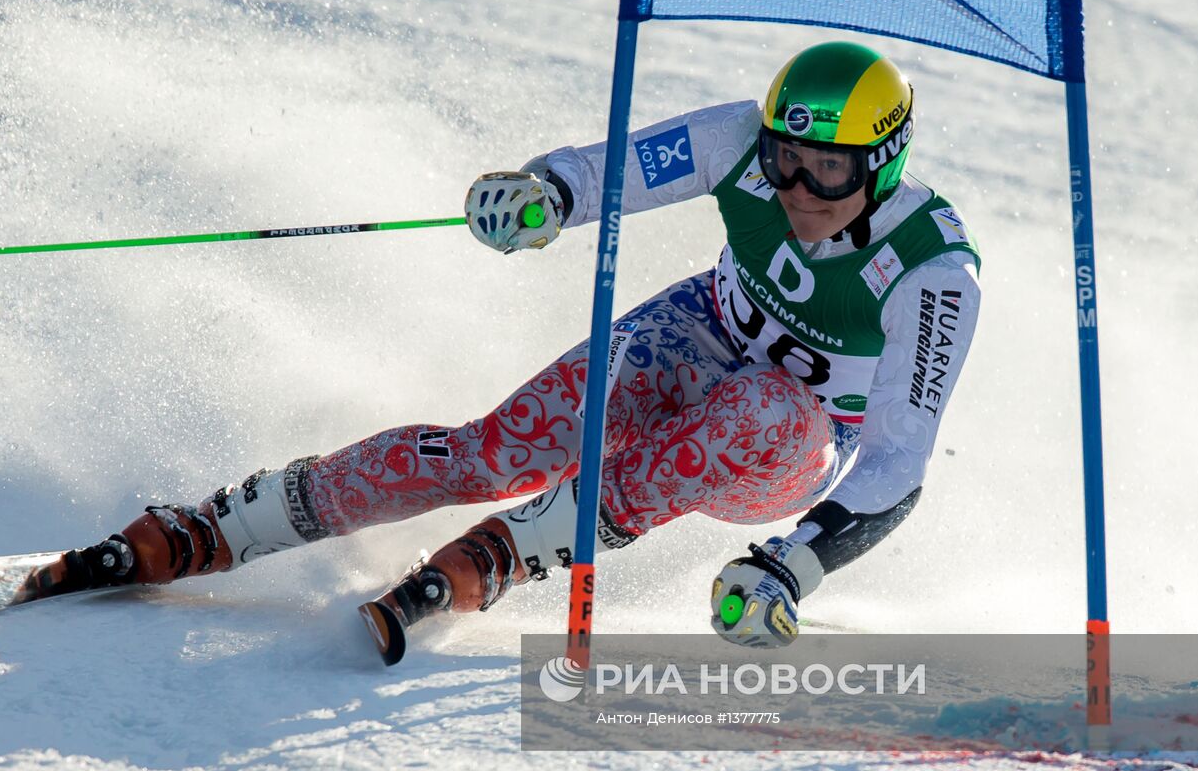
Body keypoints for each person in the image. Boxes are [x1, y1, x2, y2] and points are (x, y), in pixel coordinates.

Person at [59, 40, 982, 662]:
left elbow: (900, 460)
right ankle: (226, 524)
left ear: (883, 160)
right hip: (699, 334)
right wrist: (545, 196)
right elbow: (619, 167)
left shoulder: (932, 271)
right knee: (496, 448)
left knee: (758, 411)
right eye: (785, 156)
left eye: (827, 169)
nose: (794, 185)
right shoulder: (740, 140)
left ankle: (509, 553)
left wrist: (791, 562)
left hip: (793, 444)